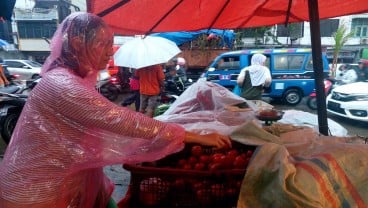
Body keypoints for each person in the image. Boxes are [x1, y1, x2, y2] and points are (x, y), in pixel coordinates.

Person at [0, 12, 231, 208]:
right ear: (80, 44)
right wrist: (192, 136)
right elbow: (122, 120)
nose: (110, 52)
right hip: (34, 195)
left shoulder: (74, 80)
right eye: (103, 44)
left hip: (66, 184)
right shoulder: (61, 84)